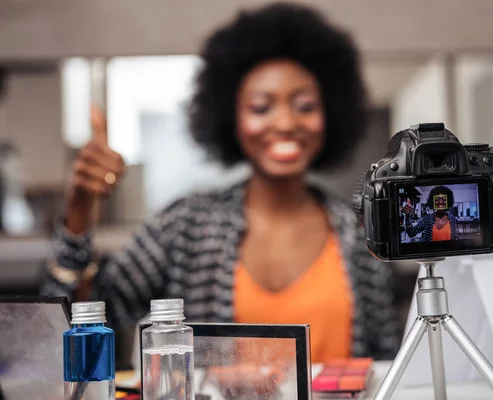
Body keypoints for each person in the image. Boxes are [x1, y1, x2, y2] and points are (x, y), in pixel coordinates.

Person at [41, 3, 400, 362]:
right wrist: (80, 211)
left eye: (305, 106)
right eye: (261, 107)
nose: (287, 123)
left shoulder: (362, 235)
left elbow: (390, 366)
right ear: (231, 118)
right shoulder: (185, 226)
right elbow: (76, 327)